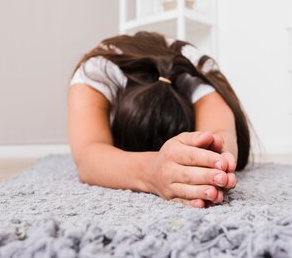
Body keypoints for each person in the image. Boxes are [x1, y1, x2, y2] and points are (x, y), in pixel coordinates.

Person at [66, 31, 251, 208]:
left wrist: (212, 165)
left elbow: (221, 135)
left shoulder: (198, 70)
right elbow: (87, 155)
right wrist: (153, 171)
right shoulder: (95, 72)